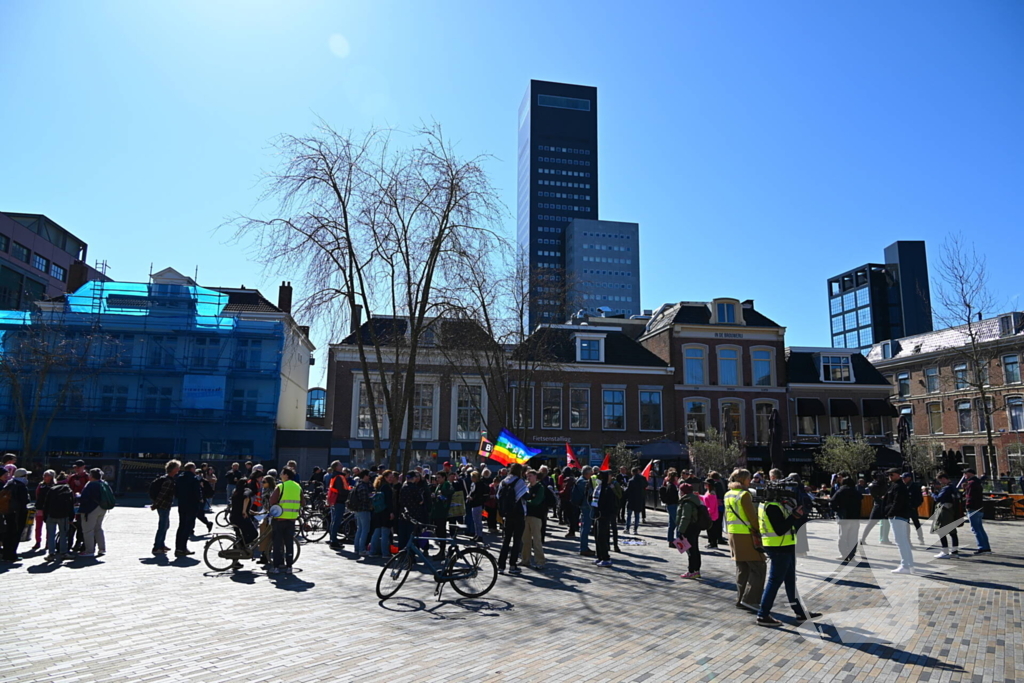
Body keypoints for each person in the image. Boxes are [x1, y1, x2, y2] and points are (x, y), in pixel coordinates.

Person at [756, 484, 820, 627]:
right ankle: (763, 614)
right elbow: (780, 529)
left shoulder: (772, 505)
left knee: (790, 580)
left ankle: (800, 613)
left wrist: (795, 513)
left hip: (785, 545)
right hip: (779, 547)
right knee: (775, 581)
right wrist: (794, 516)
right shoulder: (772, 507)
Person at [724, 469, 765, 611]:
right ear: (743, 480)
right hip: (746, 535)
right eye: (748, 478)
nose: (750, 481)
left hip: (733, 534)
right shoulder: (744, 495)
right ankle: (751, 600)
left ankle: (740, 599)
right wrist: (760, 530)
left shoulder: (728, 494)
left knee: (742, 568)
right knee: (759, 567)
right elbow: (752, 517)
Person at [268, 466, 302, 574]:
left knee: (277, 543)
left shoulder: (280, 486)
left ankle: (276, 567)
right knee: (289, 543)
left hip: (279, 519)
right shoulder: (298, 486)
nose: (280, 475)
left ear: (286, 475)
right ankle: (289, 567)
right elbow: (303, 502)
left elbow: (272, 501)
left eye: (282, 473)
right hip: (291, 519)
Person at [496, 463, 528, 575]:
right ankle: (513, 565)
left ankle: (501, 565)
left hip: (507, 514)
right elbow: (525, 496)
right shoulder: (520, 482)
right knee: (516, 540)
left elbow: (498, 496)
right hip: (518, 513)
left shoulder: (504, 481)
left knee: (506, 540)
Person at [884, 468, 915, 574]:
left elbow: (897, 502)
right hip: (900, 516)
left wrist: (890, 513)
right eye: (889, 475)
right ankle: (909, 565)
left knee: (900, 541)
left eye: (892, 474)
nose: (890, 476)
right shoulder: (897, 486)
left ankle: (905, 565)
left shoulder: (898, 486)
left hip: (897, 516)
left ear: (898, 475)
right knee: (903, 541)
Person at [1, 467, 30, 563]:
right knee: (16, 533)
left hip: (8, 512)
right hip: (18, 513)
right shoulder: (21, 486)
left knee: (8, 532)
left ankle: (6, 554)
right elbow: (25, 500)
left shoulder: (9, 483)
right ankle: (12, 555)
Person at [150, 460, 179, 556]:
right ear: (173, 469)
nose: (178, 469)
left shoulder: (169, 479)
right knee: (162, 526)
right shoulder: (168, 481)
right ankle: (157, 547)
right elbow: (162, 495)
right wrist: (155, 505)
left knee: (165, 525)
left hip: (165, 505)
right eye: (177, 467)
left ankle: (161, 544)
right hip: (163, 506)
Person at [43, 474, 75, 562]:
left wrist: (45, 516)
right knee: (63, 534)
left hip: (51, 515)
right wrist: (71, 518)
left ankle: (51, 553)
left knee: (51, 535)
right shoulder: (68, 490)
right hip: (63, 516)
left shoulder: (52, 489)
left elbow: (46, 504)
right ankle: (63, 553)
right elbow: (71, 505)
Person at [830, 477, 862, 563]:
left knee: (842, 536)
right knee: (853, 537)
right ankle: (851, 555)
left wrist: (837, 510)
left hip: (844, 517)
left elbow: (832, 502)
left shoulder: (841, 491)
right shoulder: (856, 492)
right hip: (855, 518)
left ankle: (844, 554)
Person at [174, 462, 203, 557]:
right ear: (191, 469)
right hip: (192, 504)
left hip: (182, 504)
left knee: (181, 525)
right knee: (188, 526)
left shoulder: (180, 478)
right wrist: (200, 499)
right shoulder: (194, 479)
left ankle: (178, 547)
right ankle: (183, 548)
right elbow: (197, 491)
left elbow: (176, 491)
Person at [521, 469, 547, 570]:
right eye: (527, 476)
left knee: (536, 540)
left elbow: (537, 501)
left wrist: (525, 502)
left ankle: (540, 561)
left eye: (530, 476)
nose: (528, 478)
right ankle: (525, 560)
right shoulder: (527, 487)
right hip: (526, 515)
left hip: (536, 516)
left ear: (536, 476)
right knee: (525, 540)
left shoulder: (540, 487)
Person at [676, 482, 704, 579]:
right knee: (695, 549)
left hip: (689, 528)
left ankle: (692, 571)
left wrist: (681, 530)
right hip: (695, 527)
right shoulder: (694, 499)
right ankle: (696, 570)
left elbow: (685, 518)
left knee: (691, 550)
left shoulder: (687, 502)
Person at [78, 468, 107, 559]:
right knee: (98, 528)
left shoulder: (90, 485)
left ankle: (89, 551)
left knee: (88, 530)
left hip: (91, 509)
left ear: (92, 476)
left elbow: (84, 498)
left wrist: (78, 497)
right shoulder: (104, 483)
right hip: (102, 508)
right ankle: (102, 549)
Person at [961, 468, 991, 554]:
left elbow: (970, 497)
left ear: (970, 473)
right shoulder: (977, 482)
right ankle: (986, 547)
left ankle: (982, 547)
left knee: (976, 529)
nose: (964, 475)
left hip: (973, 508)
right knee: (980, 528)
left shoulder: (971, 483)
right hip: (979, 507)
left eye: (965, 473)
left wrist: (967, 506)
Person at [933, 472, 962, 559]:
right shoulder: (953, 487)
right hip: (952, 510)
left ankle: (945, 551)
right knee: (953, 532)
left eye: (940, 480)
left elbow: (938, 498)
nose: (940, 482)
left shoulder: (946, 488)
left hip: (945, 511)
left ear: (943, 479)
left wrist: (933, 494)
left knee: (941, 530)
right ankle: (954, 552)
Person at [369, 470, 397, 559]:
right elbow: (389, 501)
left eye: (392, 477)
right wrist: (391, 512)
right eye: (390, 477)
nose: (391, 479)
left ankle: (372, 551)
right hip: (385, 512)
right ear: (385, 477)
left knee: (376, 532)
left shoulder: (379, 486)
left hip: (378, 512)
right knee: (385, 533)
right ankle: (385, 553)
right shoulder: (387, 487)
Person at [593, 470, 618, 567]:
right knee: (597, 535)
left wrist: (604, 512)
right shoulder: (599, 488)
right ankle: (600, 556)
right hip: (598, 515)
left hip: (604, 515)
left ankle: (606, 558)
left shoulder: (608, 489)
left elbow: (610, 504)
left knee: (602, 536)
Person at [347, 470, 373, 558]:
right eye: (368, 475)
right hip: (364, 510)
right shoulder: (363, 486)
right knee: (365, 530)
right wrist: (372, 497)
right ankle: (362, 549)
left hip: (357, 510)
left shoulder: (358, 484)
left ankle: (357, 548)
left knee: (359, 529)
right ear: (364, 476)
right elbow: (365, 499)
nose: (369, 477)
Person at [860, 473, 891, 545]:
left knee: (883, 523)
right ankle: (863, 538)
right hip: (879, 505)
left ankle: (884, 538)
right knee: (872, 523)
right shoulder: (875, 485)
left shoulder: (880, 484)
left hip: (881, 505)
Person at [326, 461, 350, 548]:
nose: (342, 465)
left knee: (334, 521)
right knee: (336, 521)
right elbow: (342, 490)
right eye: (340, 464)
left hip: (334, 500)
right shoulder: (339, 477)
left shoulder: (334, 476)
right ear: (336, 467)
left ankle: (332, 539)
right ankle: (334, 541)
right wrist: (349, 491)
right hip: (339, 500)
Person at [67, 460, 90, 552]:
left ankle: (79, 542)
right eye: (75, 467)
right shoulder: (72, 477)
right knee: (71, 524)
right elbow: (68, 488)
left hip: (83, 505)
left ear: (83, 467)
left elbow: (89, 491)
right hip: (72, 504)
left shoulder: (87, 477)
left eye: (78, 467)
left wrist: (80, 486)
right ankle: (69, 543)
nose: (77, 469)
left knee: (81, 525)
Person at [573, 466, 595, 557]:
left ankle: (584, 547)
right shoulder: (583, 482)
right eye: (591, 474)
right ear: (587, 473)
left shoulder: (581, 480)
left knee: (584, 527)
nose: (592, 475)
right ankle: (584, 548)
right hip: (586, 506)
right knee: (586, 527)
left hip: (584, 505)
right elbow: (590, 493)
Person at [31, 470, 56, 552]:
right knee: (38, 526)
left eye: (47, 475)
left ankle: (48, 542)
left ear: (51, 477)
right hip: (40, 508)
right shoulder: (41, 485)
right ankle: (38, 541)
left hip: (50, 509)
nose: (44, 477)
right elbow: (37, 494)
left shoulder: (54, 486)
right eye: (44, 475)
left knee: (49, 527)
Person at [902, 472, 926, 545]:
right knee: (906, 525)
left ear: (909, 478)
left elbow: (920, 499)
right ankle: (907, 539)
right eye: (903, 478)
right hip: (905, 508)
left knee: (916, 523)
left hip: (912, 508)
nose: (903, 479)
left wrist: (914, 506)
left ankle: (921, 538)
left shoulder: (915, 486)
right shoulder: (903, 486)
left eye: (905, 478)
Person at [660, 470, 680, 548]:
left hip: (670, 505)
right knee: (678, 523)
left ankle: (671, 541)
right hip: (673, 505)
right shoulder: (672, 486)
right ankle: (679, 542)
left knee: (672, 524)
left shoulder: (669, 485)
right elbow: (673, 497)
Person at [625, 467, 647, 535]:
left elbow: (628, 491)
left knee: (629, 515)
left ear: (632, 472)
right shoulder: (643, 479)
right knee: (637, 515)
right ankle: (635, 530)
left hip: (631, 500)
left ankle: (627, 529)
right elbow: (646, 485)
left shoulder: (631, 481)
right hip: (639, 499)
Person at [700, 479, 721, 550]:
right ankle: (711, 543)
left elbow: (711, 506)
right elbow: (704, 498)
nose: (704, 485)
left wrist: (707, 513)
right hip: (709, 514)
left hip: (712, 515)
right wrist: (698, 496)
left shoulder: (712, 493)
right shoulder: (708, 492)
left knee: (712, 530)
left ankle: (714, 544)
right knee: (709, 530)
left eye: (706, 484)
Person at [467, 470, 487, 541]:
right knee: (475, 521)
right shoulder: (475, 484)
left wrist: (471, 498)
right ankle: (477, 534)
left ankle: (479, 535)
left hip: (477, 504)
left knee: (478, 521)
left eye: (472, 477)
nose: (471, 478)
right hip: (476, 504)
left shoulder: (479, 485)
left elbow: (478, 494)